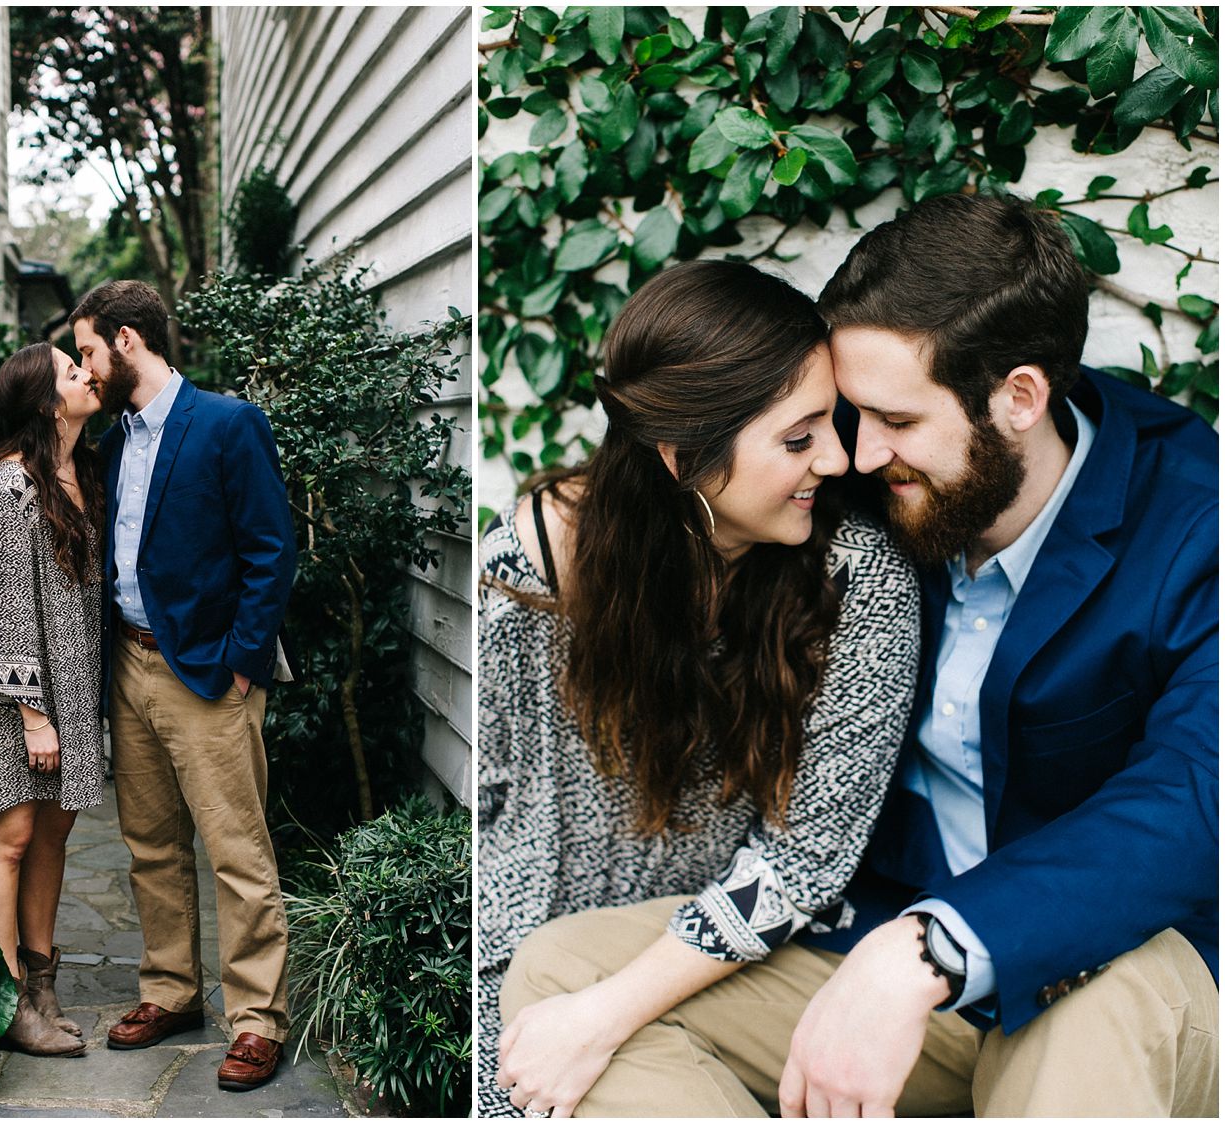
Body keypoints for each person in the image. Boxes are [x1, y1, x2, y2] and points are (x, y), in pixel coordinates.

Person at [503, 192, 1218, 1117]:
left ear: (1019, 399)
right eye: (846, 414)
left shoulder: (1198, 524)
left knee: (1099, 1012)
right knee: (566, 978)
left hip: (1110, 964)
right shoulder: (872, 486)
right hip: (872, 945)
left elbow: (1196, 797)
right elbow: (708, 499)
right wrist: (580, 521)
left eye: (896, 421)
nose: (856, 455)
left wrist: (936, 946)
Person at [480, 260, 923, 1117]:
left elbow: (806, 863)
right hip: (527, 949)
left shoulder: (857, 582)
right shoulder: (535, 562)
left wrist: (603, 1013)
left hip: (735, 960)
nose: (837, 458)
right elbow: (494, 801)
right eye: (798, 440)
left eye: (827, 425)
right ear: (683, 458)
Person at [69, 280, 296, 1092]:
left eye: (89, 351)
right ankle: (171, 992)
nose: (84, 369)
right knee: (151, 847)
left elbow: (273, 549)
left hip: (205, 673)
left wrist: (241, 659)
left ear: (128, 342)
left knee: (237, 852)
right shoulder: (115, 441)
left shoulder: (229, 425)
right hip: (126, 666)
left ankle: (257, 1018)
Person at [0, 341, 107, 1057]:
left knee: (53, 836)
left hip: (71, 690)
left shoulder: (79, 471)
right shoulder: (10, 486)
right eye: (73, 372)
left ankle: (42, 988)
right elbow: (8, 610)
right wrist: (34, 717)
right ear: (47, 401)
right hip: (13, 699)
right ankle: (5, 1001)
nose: (87, 375)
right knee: (8, 841)